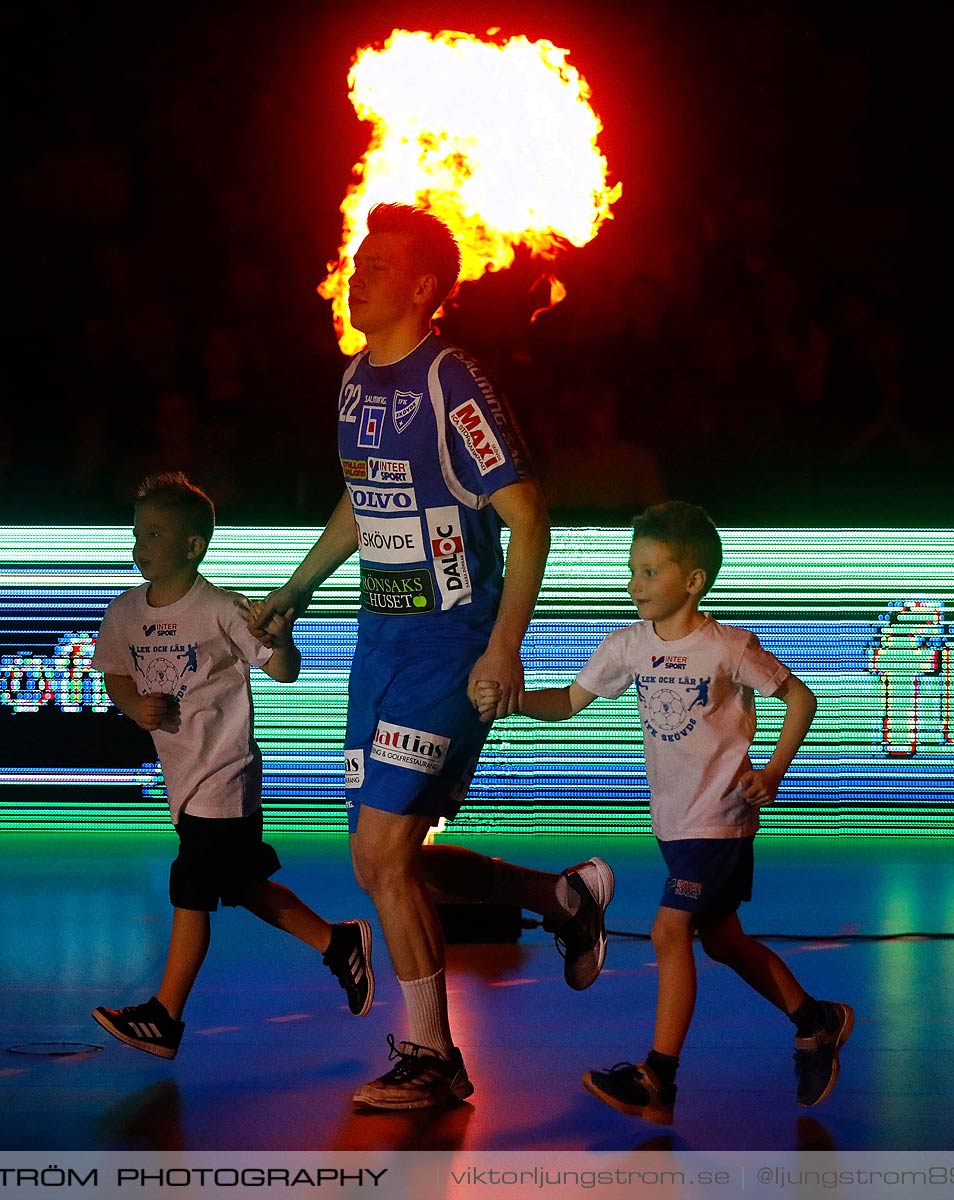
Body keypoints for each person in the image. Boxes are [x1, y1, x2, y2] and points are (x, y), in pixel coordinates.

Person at [249, 203, 614, 1110]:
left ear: (422, 286)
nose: (358, 272)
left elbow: (528, 516)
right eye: (358, 260)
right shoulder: (352, 379)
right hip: (379, 639)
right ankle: (559, 899)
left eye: (379, 263)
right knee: (385, 856)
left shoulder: (453, 378)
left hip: (450, 640)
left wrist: (504, 646)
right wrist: (296, 589)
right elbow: (361, 498)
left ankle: (434, 1057)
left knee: (380, 850)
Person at [475, 501, 853, 1121]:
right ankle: (816, 1021)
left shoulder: (728, 647)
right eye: (632, 569)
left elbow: (800, 698)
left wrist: (773, 771)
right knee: (724, 940)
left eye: (650, 572)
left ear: (694, 581)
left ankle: (659, 1078)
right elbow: (572, 700)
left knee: (668, 930)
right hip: (674, 826)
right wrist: (513, 702)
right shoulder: (628, 645)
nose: (634, 584)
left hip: (719, 820)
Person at [90, 472, 375, 1059]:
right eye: (138, 533)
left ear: (193, 547)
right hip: (183, 779)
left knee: (191, 888)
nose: (141, 546)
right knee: (242, 884)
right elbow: (115, 672)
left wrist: (284, 636)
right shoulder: (122, 614)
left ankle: (164, 1016)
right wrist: (132, 704)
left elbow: (282, 669)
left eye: (156, 534)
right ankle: (338, 943)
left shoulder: (222, 610)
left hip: (225, 777)